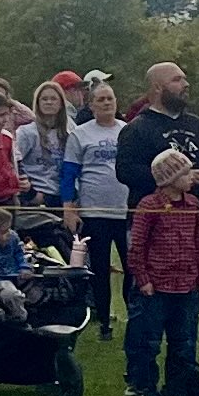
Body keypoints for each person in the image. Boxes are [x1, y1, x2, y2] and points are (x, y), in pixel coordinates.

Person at [124, 149, 199, 396]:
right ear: (169, 179)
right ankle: (144, 387)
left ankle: (177, 387)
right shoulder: (149, 205)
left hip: (186, 285)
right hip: (157, 285)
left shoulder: (193, 204)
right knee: (148, 341)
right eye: (184, 173)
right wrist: (143, 279)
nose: (190, 178)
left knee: (182, 341)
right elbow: (137, 246)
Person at [60, 82, 129, 341]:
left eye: (110, 98)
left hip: (126, 210)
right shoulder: (80, 134)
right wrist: (69, 207)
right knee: (99, 269)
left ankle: (135, 316)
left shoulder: (127, 131)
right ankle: (104, 322)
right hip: (95, 211)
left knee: (132, 267)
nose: (106, 103)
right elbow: (69, 173)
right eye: (100, 99)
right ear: (91, 105)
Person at [115, 62, 199, 214]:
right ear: (157, 87)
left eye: (185, 79)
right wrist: (177, 178)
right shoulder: (137, 128)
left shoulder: (198, 126)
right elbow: (126, 171)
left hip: (194, 221)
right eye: (177, 80)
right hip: (151, 222)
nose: (186, 84)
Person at [16, 81, 73, 209]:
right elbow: (14, 162)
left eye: (53, 99)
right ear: (38, 103)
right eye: (44, 99)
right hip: (36, 197)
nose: (49, 102)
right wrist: (30, 193)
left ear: (61, 104)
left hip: (61, 197)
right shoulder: (27, 132)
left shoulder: (69, 133)